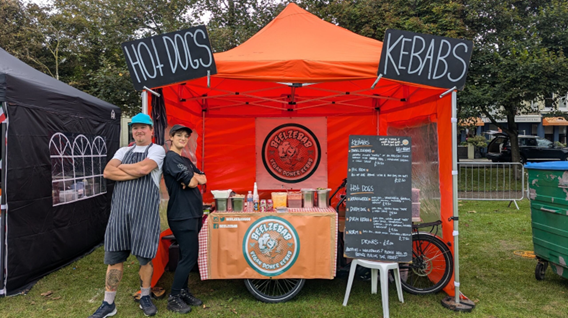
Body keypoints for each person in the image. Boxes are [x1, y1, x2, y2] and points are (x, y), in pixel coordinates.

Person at [89, 113, 166, 318]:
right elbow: (107, 172)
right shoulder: (123, 149)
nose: (138, 131)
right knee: (114, 258)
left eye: (143, 127)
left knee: (145, 259)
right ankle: (108, 303)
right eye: (135, 128)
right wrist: (135, 170)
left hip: (145, 215)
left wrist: (121, 168)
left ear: (151, 130)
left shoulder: (157, 150)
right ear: (132, 130)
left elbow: (144, 168)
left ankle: (145, 296)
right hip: (120, 214)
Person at [162, 124, 207, 314]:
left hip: (193, 213)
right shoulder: (171, 158)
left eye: (186, 136)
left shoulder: (185, 160)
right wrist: (192, 179)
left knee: (185, 256)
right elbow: (191, 182)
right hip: (182, 215)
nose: (183, 138)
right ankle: (173, 298)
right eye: (178, 135)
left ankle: (183, 291)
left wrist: (194, 178)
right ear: (171, 137)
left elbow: (203, 179)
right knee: (189, 256)